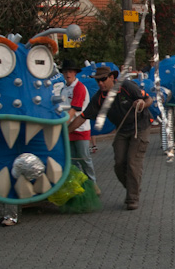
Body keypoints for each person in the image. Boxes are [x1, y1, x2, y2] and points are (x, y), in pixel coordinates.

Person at [68, 66, 153, 210]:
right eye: (98, 81)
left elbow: (149, 99)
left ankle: (132, 198)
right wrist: (65, 132)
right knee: (119, 164)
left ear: (112, 78)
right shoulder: (98, 98)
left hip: (140, 127)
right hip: (122, 129)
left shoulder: (127, 86)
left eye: (103, 79)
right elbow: (82, 117)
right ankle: (133, 187)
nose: (100, 83)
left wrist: (142, 104)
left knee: (133, 162)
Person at [60, 59, 100, 195]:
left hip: (80, 128)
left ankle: (93, 185)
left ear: (75, 73)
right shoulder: (63, 89)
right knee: (72, 160)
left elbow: (74, 110)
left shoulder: (79, 87)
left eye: (70, 71)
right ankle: (78, 186)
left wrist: (63, 126)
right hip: (68, 128)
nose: (68, 74)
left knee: (84, 158)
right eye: (65, 72)